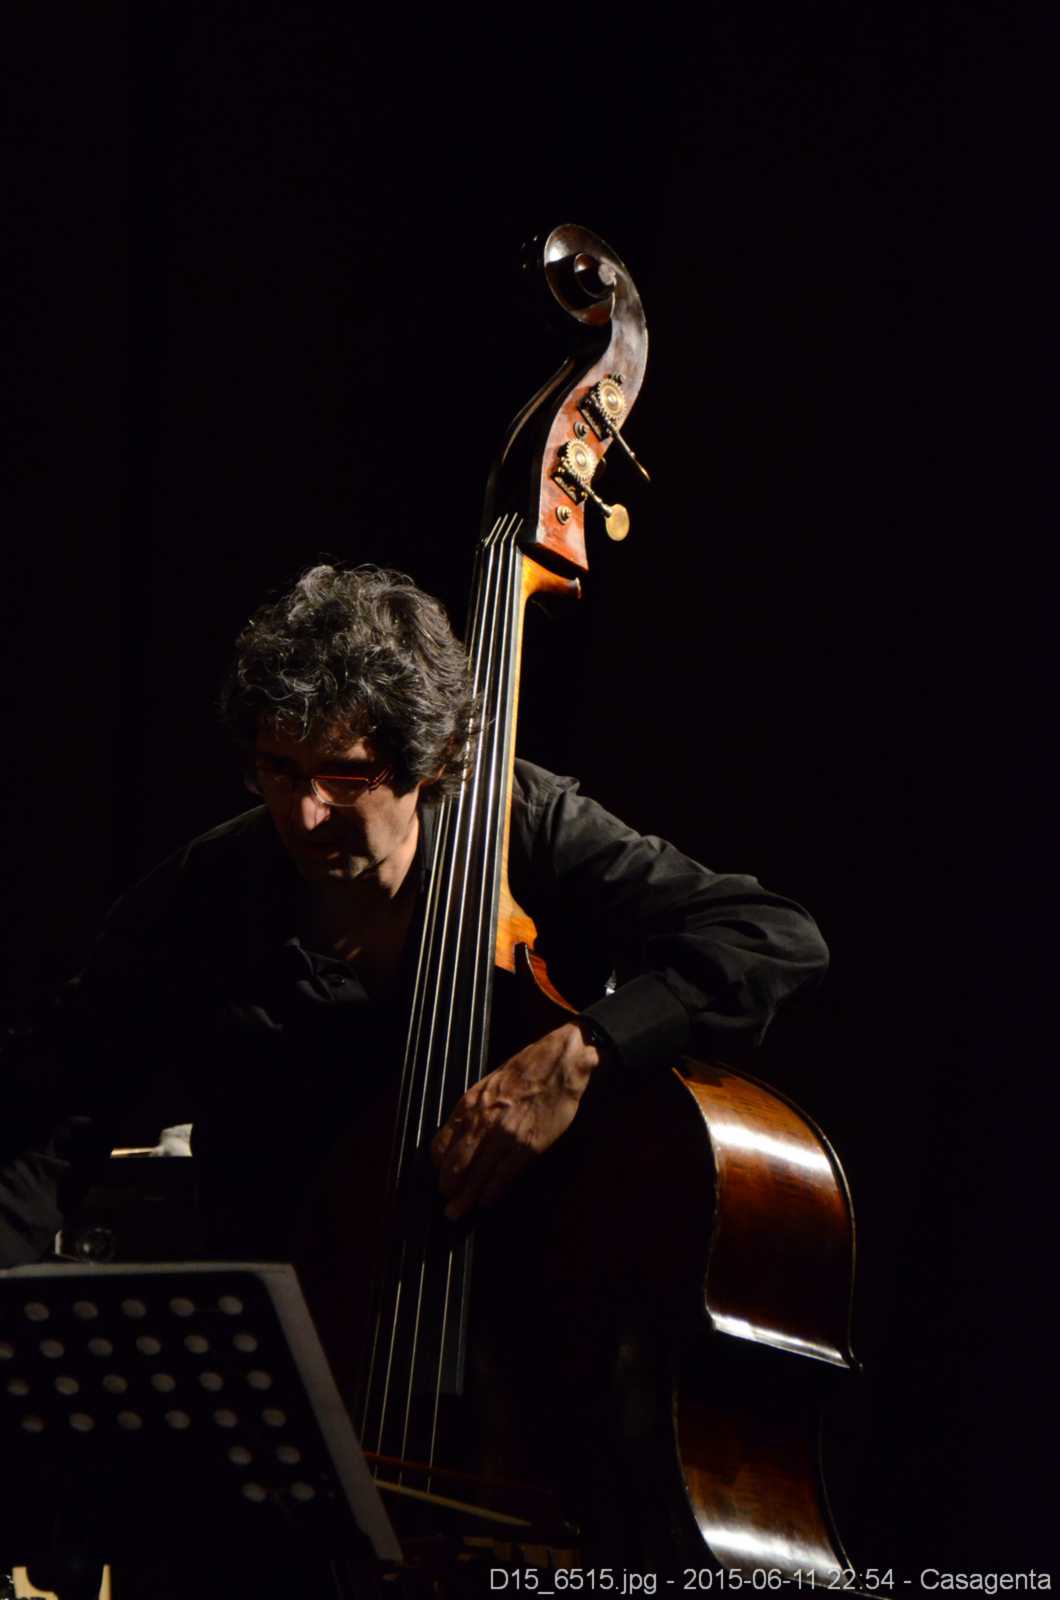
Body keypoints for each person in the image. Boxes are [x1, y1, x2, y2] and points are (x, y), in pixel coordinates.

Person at [0, 563, 829, 1274]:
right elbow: (49, 1118)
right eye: (278, 769)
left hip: (530, 1309)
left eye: (345, 776)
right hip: (296, 1311)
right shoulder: (209, 886)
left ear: (429, 762)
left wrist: (584, 1050)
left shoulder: (521, 827)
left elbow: (770, 935)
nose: (305, 814)